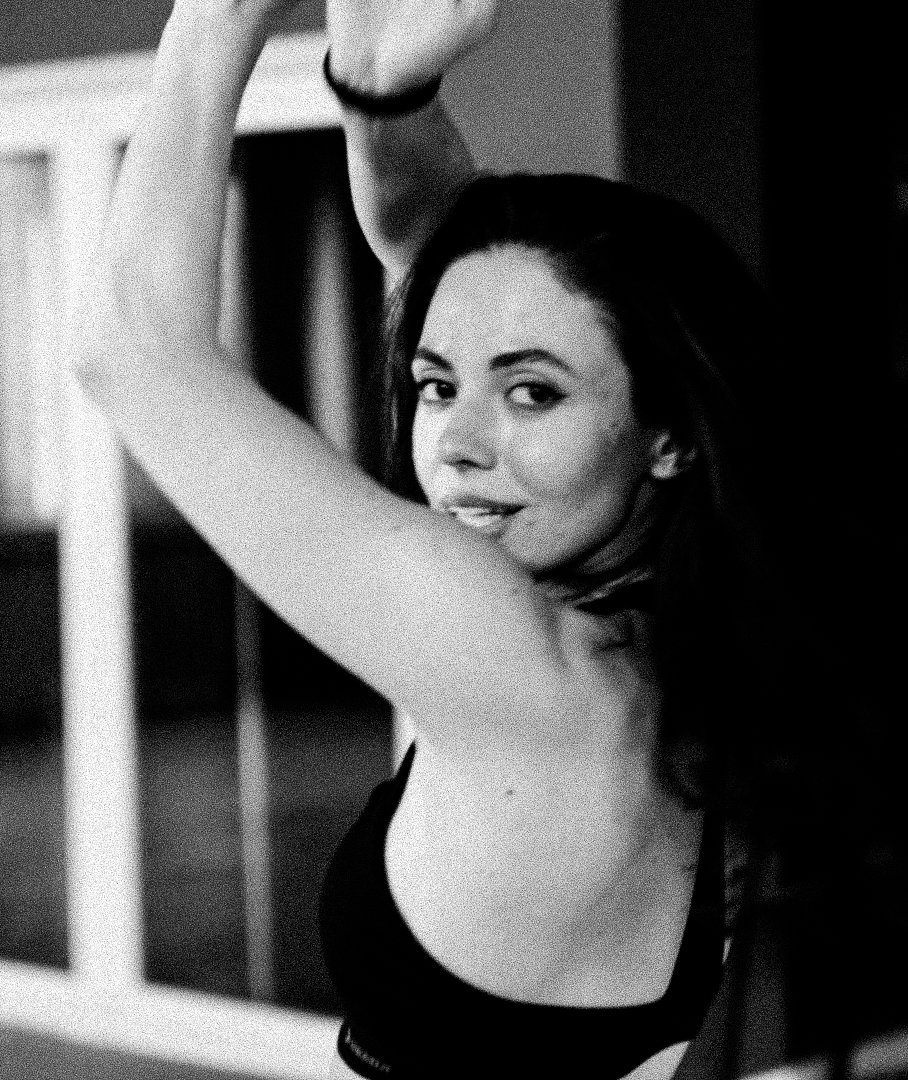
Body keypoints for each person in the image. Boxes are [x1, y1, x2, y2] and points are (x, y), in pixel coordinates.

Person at [72, 0, 840, 1076]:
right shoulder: (676, 656)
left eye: (532, 394)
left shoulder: (521, 657)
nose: (459, 445)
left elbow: (133, 350)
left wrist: (219, 14)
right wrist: (382, 99)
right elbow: (451, 260)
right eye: (436, 386)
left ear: (668, 436)